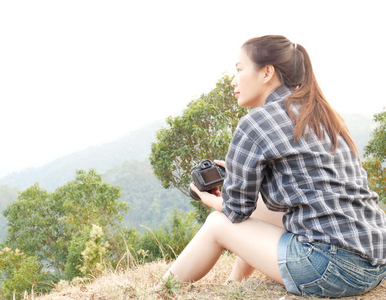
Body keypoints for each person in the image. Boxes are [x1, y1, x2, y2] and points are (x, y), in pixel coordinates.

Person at [161, 35, 386, 298]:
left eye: (239, 69)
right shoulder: (322, 113)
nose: (233, 81)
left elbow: (235, 211)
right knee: (259, 209)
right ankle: (235, 287)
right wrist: (237, 174)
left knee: (216, 223)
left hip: (331, 269)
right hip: (376, 260)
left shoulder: (256, 122)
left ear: (267, 72)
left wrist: (207, 199)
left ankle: (158, 291)